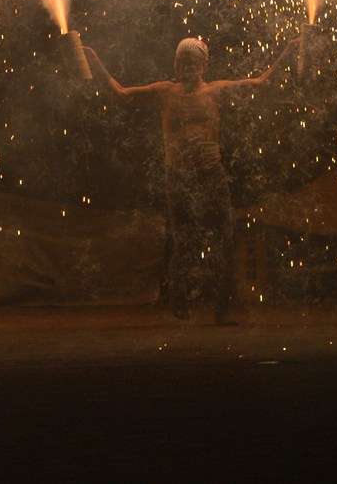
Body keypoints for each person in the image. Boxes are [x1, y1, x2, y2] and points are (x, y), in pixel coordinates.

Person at [84, 34, 300, 324]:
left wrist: (289, 50)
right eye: (180, 61)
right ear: (174, 64)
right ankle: (178, 300)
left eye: (191, 61)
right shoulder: (164, 91)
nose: (185, 66)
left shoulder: (216, 91)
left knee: (225, 242)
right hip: (179, 178)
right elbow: (121, 93)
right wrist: (93, 60)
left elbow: (261, 83)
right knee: (183, 241)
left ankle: (222, 311)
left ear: (203, 65)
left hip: (211, 176)